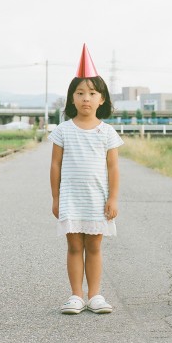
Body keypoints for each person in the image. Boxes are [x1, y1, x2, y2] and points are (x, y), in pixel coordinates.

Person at [49, 44, 124, 315]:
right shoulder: (63, 131)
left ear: (102, 99)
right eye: (79, 93)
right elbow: (55, 165)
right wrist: (56, 197)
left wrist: (113, 198)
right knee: (73, 246)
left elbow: (113, 168)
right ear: (71, 99)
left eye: (92, 93)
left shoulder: (106, 133)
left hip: (96, 199)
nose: (86, 98)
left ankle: (95, 296)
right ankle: (75, 296)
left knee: (94, 246)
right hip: (71, 198)